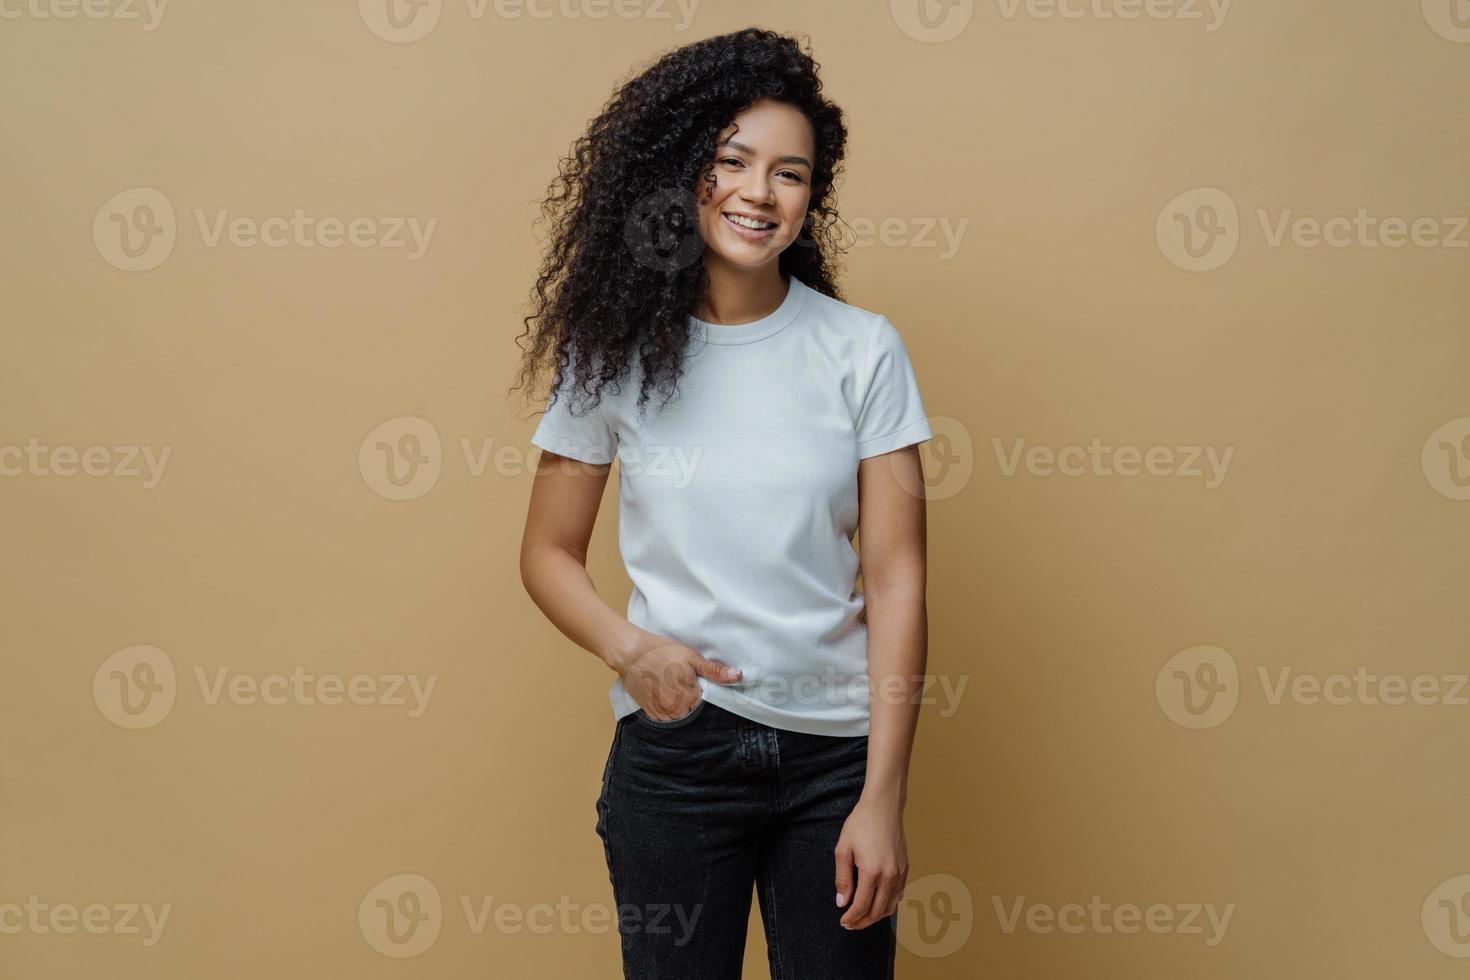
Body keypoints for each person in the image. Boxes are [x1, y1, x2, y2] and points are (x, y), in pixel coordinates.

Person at [515, 27, 932, 979]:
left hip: (836, 762)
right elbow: (546, 553)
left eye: (790, 172)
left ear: (810, 197)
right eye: (732, 161)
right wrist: (633, 650)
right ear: (680, 174)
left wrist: (883, 797)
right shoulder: (609, 357)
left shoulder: (862, 350)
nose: (759, 192)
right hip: (677, 758)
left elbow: (899, 574)